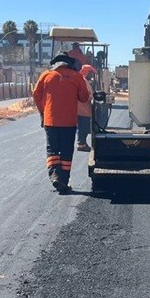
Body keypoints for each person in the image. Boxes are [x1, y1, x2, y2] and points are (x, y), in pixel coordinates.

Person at [33, 54, 90, 194]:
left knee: (52, 149)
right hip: (69, 122)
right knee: (66, 151)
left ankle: (54, 176)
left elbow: (36, 94)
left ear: (55, 63)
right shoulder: (77, 77)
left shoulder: (46, 75)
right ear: (69, 63)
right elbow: (84, 98)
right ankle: (63, 180)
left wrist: (43, 112)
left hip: (50, 120)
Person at [76, 64, 96, 152]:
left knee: (81, 127)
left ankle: (81, 142)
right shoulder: (83, 81)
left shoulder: (79, 79)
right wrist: (92, 98)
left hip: (79, 108)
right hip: (83, 108)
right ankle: (81, 144)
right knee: (83, 127)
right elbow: (87, 94)